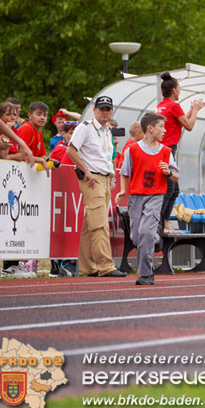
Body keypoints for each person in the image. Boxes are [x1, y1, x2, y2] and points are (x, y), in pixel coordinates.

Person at [116, 112, 179, 285]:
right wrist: (122, 191)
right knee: (136, 237)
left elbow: (176, 176)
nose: (164, 131)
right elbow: (125, 173)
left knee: (145, 233)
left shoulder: (166, 152)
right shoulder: (132, 150)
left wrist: (169, 172)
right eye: (161, 126)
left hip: (156, 196)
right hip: (136, 197)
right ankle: (156, 238)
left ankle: (146, 273)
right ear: (150, 128)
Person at [66, 96, 126, 277]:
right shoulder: (85, 127)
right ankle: (106, 266)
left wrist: (113, 175)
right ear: (94, 110)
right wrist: (87, 171)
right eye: (102, 109)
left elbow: (108, 155)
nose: (105, 112)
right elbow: (71, 149)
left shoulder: (107, 130)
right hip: (93, 179)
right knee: (100, 224)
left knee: (90, 223)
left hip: (105, 179)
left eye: (108, 109)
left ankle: (87, 267)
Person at [156, 72, 205, 233]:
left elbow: (182, 121)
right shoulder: (173, 106)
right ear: (175, 91)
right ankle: (160, 223)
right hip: (168, 150)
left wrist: (191, 109)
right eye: (179, 89)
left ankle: (164, 222)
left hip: (164, 150)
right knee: (170, 189)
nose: (180, 92)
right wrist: (196, 109)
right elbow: (189, 126)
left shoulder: (162, 105)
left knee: (173, 189)